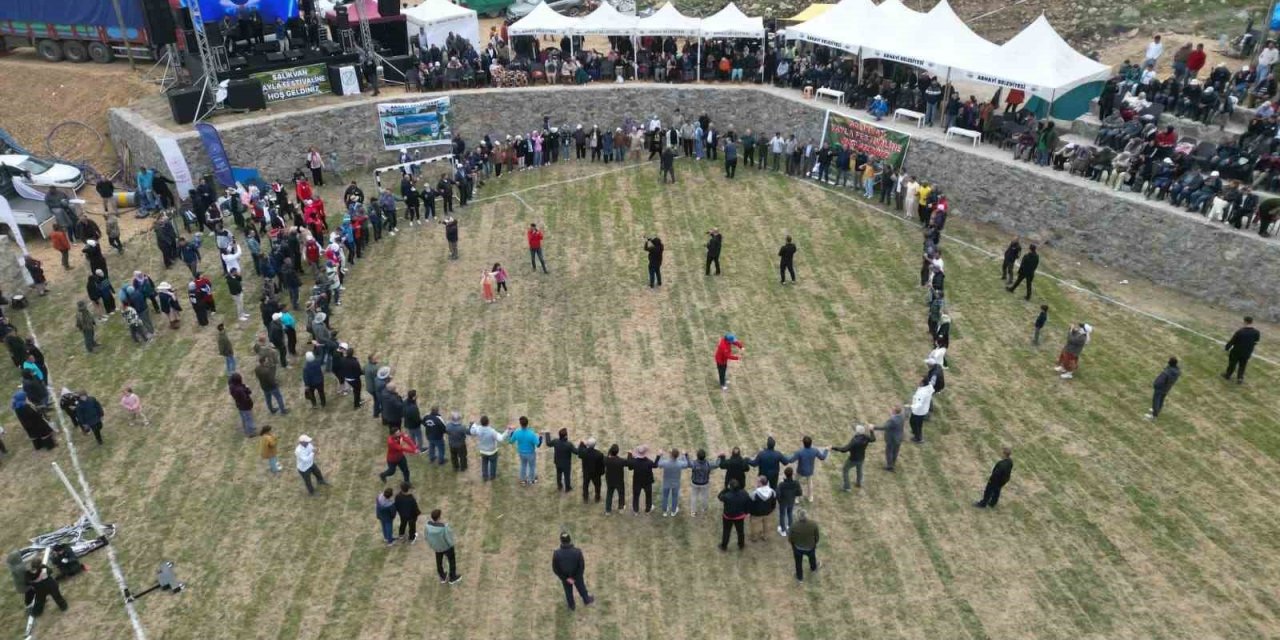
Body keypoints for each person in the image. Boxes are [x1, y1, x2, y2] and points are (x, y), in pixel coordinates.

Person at [551, 532, 594, 610]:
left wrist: (566, 578)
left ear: (561, 541)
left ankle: (571, 606)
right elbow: (581, 567)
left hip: (565, 577)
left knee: (568, 592)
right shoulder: (577, 552)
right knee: (581, 588)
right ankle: (586, 600)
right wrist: (575, 577)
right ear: (570, 540)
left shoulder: (557, 554)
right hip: (577, 576)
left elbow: (555, 569)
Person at [832, 423, 876, 490]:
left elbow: (844, 449)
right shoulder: (866, 437)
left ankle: (847, 487)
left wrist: (834, 448)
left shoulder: (855, 441)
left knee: (845, 470)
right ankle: (859, 483)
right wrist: (871, 430)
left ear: (857, 432)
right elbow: (873, 439)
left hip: (853, 459)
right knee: (859, 470)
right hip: (861, 458)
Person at [426, 509, 462, 584]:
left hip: (437, 547)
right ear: (439, 517)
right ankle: (452, 578)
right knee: (451, 561)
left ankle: (442, 577)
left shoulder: (428, 526)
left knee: (439, 561)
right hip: (446, 547)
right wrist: (451, 545)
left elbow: (427, 537)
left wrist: (432, 545)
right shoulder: (444, 528)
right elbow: (448, 538)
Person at [1223, 316, 1261, 383]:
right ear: (1251, 322)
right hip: (1247, 352)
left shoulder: (1240, 331)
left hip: (1236, 351)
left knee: (1232, 363)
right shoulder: (1256, 332)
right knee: (1243, 365)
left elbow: (1233, 341)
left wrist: (1227, 347)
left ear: (1245, 322)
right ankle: (1240, 378)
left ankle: (1228, 375)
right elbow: (1256, 342)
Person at [469, 416, 508, 481]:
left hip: (483, 451)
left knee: (484, 464)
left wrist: (473, 425)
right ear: (488, 422)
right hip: (492, 452)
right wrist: (508, 431)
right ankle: (492, 476)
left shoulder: (478, 429)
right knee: (493, 464)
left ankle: (485, 477)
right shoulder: (492, 431)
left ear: (481, 423)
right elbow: (501, 438)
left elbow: (472, 431)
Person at [718, 479, 751, 551]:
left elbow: (719, 496)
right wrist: (746, 512)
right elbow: (748, 503)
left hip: (728, 517)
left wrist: (725, 489)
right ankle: (741, 545)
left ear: (730, 487)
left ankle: (724, 546)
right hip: (739, 516)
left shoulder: (727, 496)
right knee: (740, 531)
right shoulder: (744, 493)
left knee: (726, 531)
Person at [788, 509, 820, 582]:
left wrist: (793, 545)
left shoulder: (794, 526)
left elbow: (790, 538)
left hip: (798, 548)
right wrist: (814, 543)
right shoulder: (813, 524)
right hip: (810, 547)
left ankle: (800, 578)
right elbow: (817, 537)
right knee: (812, 558)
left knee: (798, 563)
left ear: (798, 517)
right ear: (807, 516)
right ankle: (813, 568)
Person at [509, 416, 543, 486]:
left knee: (523, 466)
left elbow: (511, 441)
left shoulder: (517, 432)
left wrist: (511, 433)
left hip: (521, 453)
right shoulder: (531, 434)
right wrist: (540, 437)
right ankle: (531, 480)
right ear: (527, 424)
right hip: (531, 453)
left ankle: (523, 481)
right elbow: (538, 445)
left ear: (520, 424)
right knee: (532, 466)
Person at [655, 448, 689, 516]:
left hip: (666, 483)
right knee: (675, 497)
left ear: (671, 455)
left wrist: (661, 455)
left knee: (665, 497)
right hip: (676, 484)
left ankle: (664, 511)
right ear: (677, 456)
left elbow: (659, 464)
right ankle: (673, 511)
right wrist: (684, 455)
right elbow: (686, 464)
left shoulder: (666, 463)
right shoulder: (680, 463)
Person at [873, 405, 906, 471]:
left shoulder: (893, 420)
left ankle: (889, 466)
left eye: (892, 409)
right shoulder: (902, 416)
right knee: (895, 451)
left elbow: (884, 427)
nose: (891, 410)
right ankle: (893, 463)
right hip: (899, 437)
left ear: (894, 412)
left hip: (892, 439)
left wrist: (873, 427)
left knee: (889, 452)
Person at [545, 427, 577, 492]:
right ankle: (567, 488)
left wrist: (547, 433)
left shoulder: (555, 441)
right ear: (565, 436)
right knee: (567, 476)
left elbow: (548, 443)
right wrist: (582, 447)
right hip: (566, 464)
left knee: (558, 474)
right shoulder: (569, 444)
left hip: (558, 462)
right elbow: (576, 452)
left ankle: (559, 486)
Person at [576, 437, 605, 503]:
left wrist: (581, 444)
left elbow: (579, 453)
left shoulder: (584, 452)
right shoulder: (599, 454)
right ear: (595, 445)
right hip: (596, 473)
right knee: (597, 486)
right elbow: (601, 465)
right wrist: (602, 472)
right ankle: (597, 498)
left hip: (586, 472)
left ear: (588, 445)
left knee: (585, 485)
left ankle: (585, 498)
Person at [228, 373, 256, 437]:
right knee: (249, 418)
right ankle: (251, 433)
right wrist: (247, 388)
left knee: (244, 418)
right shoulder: (240, 389)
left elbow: (230, 381)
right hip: (245, 406)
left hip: (239, 405)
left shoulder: (232, 387)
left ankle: (246, 429)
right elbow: (246, 396)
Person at [776, 467, 801, 535]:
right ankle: (790, 528)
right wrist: (793, 495)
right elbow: (800, 493)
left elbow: (777, 494)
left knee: (782, 515)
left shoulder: (781, 484)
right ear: (792, 474)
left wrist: (779, 500)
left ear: (785, 474)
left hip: (783, 502)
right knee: (790, 514)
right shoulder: (796, 483)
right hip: (791, 501)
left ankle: (783, 530)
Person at [603, 444, 628, 514]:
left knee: (609, 494)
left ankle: (608, 511)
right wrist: (630, 454)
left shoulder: (606, 460)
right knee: (621, 494)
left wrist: (609, 453)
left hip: (610, 480)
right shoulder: (621, 461)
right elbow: (629, 463)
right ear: (617, 452)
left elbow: (606, 457)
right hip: (619, 481)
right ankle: (621, 509)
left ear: (610, 451)